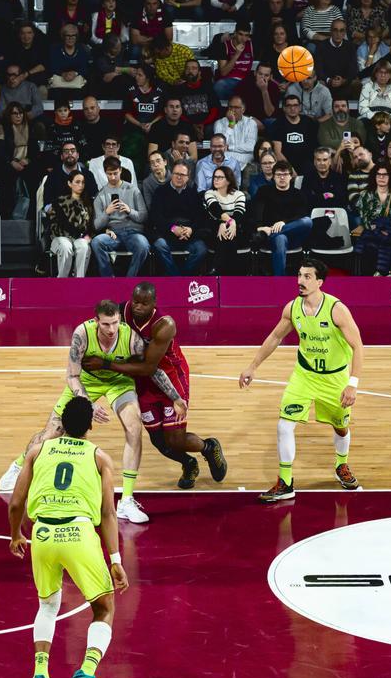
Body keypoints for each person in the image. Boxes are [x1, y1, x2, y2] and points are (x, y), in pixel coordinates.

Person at [0, 300, 186, 525]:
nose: (111, 329)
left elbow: (151, 370)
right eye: (106, 324)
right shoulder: (82, 334)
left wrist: (176, 397)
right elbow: (71, 376)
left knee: (134, 427)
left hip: (119, 383)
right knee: (52, 432)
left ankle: (126, 500)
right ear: (97, 321)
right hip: (85, 382)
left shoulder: (130, 338)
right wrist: (87, 402)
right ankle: (18, 465)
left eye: (115, 323)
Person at [6, 395, 127, 678]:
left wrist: (15, 536)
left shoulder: (37, 451)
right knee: (104, 607)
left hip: (43, 534)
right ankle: (86, 671)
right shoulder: (99, 457)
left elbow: (15, 503)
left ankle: (40, 673)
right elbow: (108, 513)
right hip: (79, 534)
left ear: (61, 424)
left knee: (47, 606)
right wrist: (115, 560)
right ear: (90, 427)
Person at [240, 258, 364, 502]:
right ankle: (286, 483)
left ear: (320, 282)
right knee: (284, 425)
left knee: (340, 427)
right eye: (299, 275)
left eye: (307, 277)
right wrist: (252, 366)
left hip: (334, 378)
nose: (300, 281)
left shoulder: (336, 309)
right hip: (304, 375)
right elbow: (275, 337)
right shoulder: (292, 308)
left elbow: (358, 346)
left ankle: (341, 466)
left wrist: (353, 383)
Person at [82, 284, 227, 490]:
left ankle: (208, 447)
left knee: (174, 440)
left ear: (154, 304)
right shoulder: (122, 312)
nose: (138, 307)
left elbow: (150, 367)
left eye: (144, 303)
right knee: (159, 441)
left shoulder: (164, 324)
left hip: (170, 379)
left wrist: (104, 364)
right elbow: (102, 323)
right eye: (136, 302)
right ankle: (188, 463)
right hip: (141, 380)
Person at [248, 161, 312, 276]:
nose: (282, 177)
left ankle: (273, 232)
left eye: (285, 174)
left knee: (308, 221)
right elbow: (256, 212)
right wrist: (259, 227)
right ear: (273, 176)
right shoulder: (264, 191)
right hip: (273, 239)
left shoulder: (298, 194)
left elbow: (302, 214)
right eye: (278, 175)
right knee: (280, 238)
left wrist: (284, 223)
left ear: (291, 176)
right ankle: (280, 281)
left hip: (293, 236)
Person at [90, 157, 149, 278]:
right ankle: (109, 279)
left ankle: (129, 280)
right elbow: (96, 225)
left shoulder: (133, 190)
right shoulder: (101, 195)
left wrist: (129, 210)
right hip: (113, 234)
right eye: (109, 174)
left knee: (143, 245)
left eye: (115, 173)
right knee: (96, 242)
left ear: (120, 170)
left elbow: (143, 217)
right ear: (105, 173)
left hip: (133, 232)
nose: (112, 177)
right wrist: (107, 212)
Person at [149, 161, 207, 275]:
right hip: (167, 232)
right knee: (159, 246)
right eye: (176, 174)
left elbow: (200, 217)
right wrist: (173, 228)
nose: (179, 177)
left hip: (188, 234)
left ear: (188, 177)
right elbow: (156, 217)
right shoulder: (160, 191)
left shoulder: (193, 193)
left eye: (183, 175)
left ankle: (183, 278)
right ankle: (176, 278)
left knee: (201, 250)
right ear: (171, 174)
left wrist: (191, 229)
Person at [353, 162, 391, 276]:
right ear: (374, 176)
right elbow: (364, 218)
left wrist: (389, 231)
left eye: (385, 175)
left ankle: (383, 273)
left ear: (390, 177)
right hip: (372, 231)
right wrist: (377, 229)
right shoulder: (365, 194)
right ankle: (383, 273)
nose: (381, 177)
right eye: (378, 175)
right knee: (373, 246)